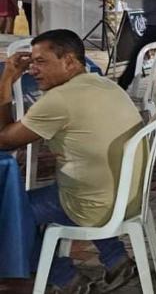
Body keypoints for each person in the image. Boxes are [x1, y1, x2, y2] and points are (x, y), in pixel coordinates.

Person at [0, 30, 143, 292]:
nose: (33, 70)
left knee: (9, 211)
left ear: (69, 61)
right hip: (129, 197)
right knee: (70, 187)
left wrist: (8, 78)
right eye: (31, 62)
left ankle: (66, 279)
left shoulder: (59, 100)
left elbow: (4, 139)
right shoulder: (106, 84)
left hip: (95, 204)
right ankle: (117, 260)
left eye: (41, 62)